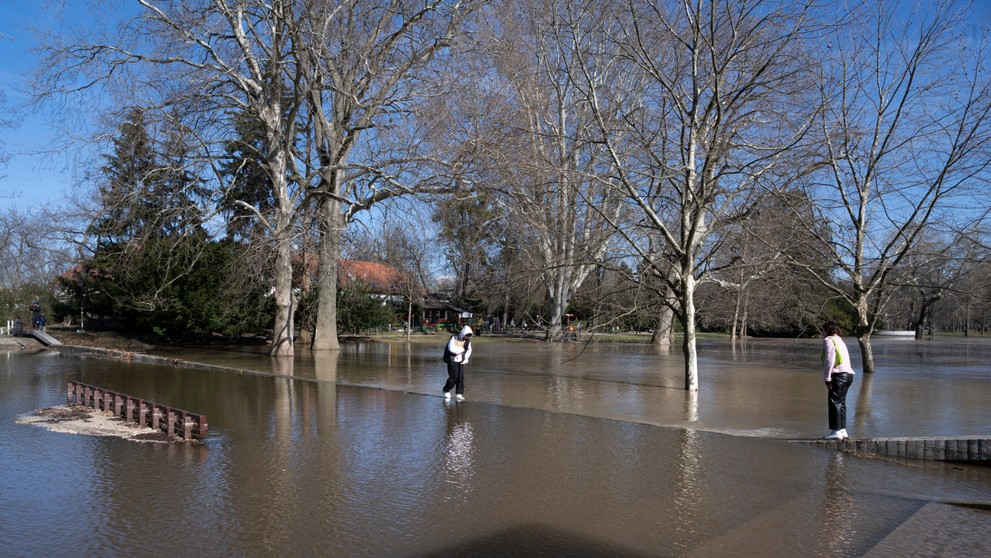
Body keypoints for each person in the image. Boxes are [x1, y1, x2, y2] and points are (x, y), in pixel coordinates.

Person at [821, 322, 855, 440]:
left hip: (839, 375)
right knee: (842, 403)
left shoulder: (828, 340)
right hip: (848, 375)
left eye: (823, 330)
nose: (822, 333)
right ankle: (842, 431)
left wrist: (827, 378)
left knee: (834, 402)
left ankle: (836, 432)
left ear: (828, 330)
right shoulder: (840, 340)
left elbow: (829, 359)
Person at [442, 325, 473, 401]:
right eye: (467, 335)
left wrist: (465, 359)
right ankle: (446, 390)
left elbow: (469, 350)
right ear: (463, 333)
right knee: (454, 377)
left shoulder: (467, 341)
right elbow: (451, 349)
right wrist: (461, 349)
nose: (467, 337)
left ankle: (459, 393)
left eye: (469, 336)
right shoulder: (454, 338)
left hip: (461, 361)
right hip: (452, 360)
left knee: (461, 377)